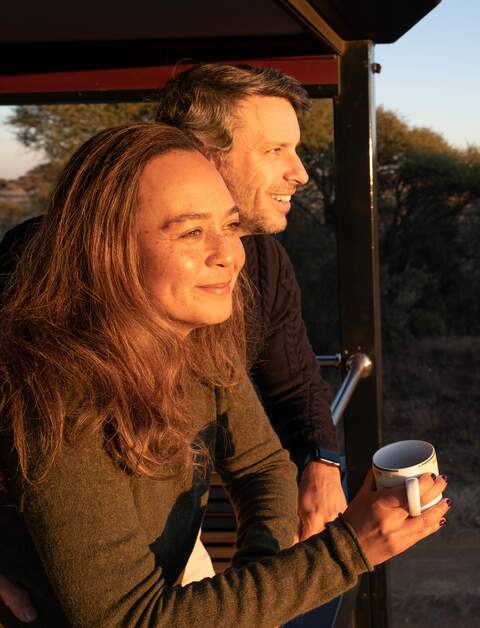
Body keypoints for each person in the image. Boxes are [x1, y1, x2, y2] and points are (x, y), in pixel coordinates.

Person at [0, 122, 449, 627]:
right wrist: (348, 551)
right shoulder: (63, 397)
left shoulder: (195, 337)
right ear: (105, 251)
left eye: (231, 225)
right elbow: (130, 620)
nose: (228, 255)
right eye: (191, 231)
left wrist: (256, 589)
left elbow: (264, 465)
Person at [0, 64, 345, 546]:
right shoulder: (43, 257)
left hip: (173, 522)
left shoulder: (261, 262)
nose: (300, 173)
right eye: (274, 151)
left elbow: (291, 389)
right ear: (203, 154)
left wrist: (322, 463)